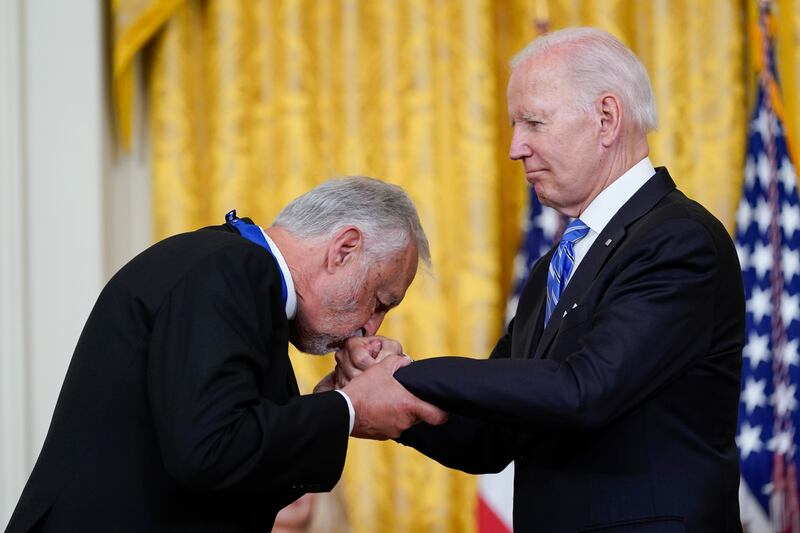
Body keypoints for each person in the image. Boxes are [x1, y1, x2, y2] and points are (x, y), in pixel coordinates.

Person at [334, 28, 745, 531]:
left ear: (606, 119)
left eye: (533, 122)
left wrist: (407, 375)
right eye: (514, 124)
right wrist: (394, 400)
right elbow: (491, 437)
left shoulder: (678, 240)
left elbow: (582, 390)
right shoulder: (554, 268)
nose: (515, 147)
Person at [5, 176, 446, 532]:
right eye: (381, 300)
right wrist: (350, 409)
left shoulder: (233, 270)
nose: (372, 325)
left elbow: (227, 454)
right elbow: (208, 450)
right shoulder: (234, 268)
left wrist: (330, 400)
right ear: (343, 249)